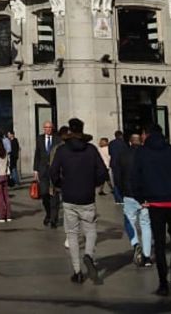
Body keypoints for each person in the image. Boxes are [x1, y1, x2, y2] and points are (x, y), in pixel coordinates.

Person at [130, 123, 171, 296]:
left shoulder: (142, 153)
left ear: (147, 134)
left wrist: (140, 198)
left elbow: (134, 177)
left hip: (155, 203)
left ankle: (162, 283)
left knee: (159, 243)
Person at [49, 117, 107, 285]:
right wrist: (94, 183)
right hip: (87, 197)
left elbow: (53, 172)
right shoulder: (91, 150)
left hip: (69, 198)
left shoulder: (62, 150)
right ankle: (88, 254)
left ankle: (77, 271)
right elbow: (102, 171)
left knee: (72, 234)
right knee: (90, 230)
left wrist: (60, 185)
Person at [113, 131, 153, 267]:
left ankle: (136, 243)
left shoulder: (123, 155)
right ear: (140, 142)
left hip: (129, 194)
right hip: (146, 195)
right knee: (146, 224)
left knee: (129, 221)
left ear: (130, 142)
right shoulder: (147, 154)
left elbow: (117, 174)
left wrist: (120, 189)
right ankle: (147, 257)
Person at [33, 121, 60, 228]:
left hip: (54, 170)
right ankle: (48, 213)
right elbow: (37, 154)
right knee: (44, 194)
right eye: (46, 127)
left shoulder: (57, 139)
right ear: (43, 128)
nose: (48, 129)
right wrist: (35, 169)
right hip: (43, 170)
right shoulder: (39, 138)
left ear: (52, 128)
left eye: (50, 127)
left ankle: (54, 218)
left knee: (54, 195)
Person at [0, 131, 12, 222]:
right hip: (5, 175)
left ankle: (1, 215)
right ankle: (8, 215)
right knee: (6, 196)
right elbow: (8, 163)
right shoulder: (4, 150)